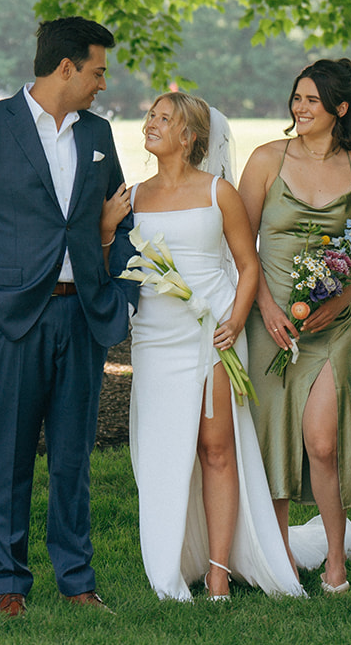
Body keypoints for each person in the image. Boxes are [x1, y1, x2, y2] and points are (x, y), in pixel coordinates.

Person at [0, 16, 137, 616]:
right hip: (12, 319)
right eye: (97, 70)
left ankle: (77, 581)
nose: (103, 83)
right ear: (66, 67)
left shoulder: (97, 132)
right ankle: (9, 584)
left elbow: (118, 220)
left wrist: (118, 295)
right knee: (12, 453)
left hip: (83, 318)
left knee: (73, 456)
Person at [129, 92, 305, 601]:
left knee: (216, 448)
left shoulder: (218, 192)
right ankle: (169, 558)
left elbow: (247, 267)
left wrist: (232, 321)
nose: (152, 123)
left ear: (190, 138)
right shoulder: (133, 197)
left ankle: (218, 570)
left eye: (166, 119)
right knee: (163, 451)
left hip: (212, 334)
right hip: (157, 338)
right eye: (152, 116)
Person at [239, 59, 351, 594]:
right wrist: (267, 310)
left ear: (339, 109)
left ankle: (336, 558)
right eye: (296, 98)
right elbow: (240, 246)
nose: (300, 109)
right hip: (268, 321)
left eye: (312, 101)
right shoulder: (264, 161)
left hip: (329, 326)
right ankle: (277, 557)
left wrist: (337, 300)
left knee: (321, 443)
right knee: (271, 435)